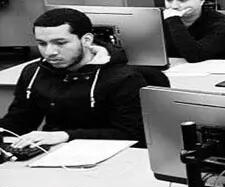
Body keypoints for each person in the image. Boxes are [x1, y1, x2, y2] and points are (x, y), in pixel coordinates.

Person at [0, 8, 148, 148]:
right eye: (42, 44)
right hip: (51, 152)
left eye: (60, 43)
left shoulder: (124, 78)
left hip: (108, 157)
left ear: (87, 40)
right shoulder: (34, 72)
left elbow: (131, 134)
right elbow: (19, 121)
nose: (50, 52)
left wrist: (66, 136)